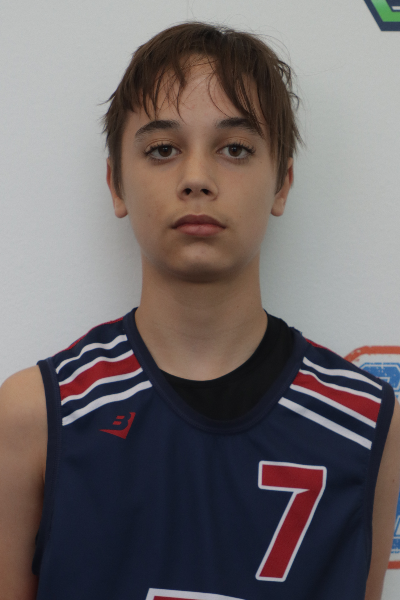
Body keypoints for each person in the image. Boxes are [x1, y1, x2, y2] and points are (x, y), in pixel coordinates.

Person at [0, 21, 399, 600]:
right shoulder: (36, 415)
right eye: (162, 149)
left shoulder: (365, 421)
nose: (196, 179)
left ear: (282, 183)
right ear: (116, 184)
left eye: (235, 149)